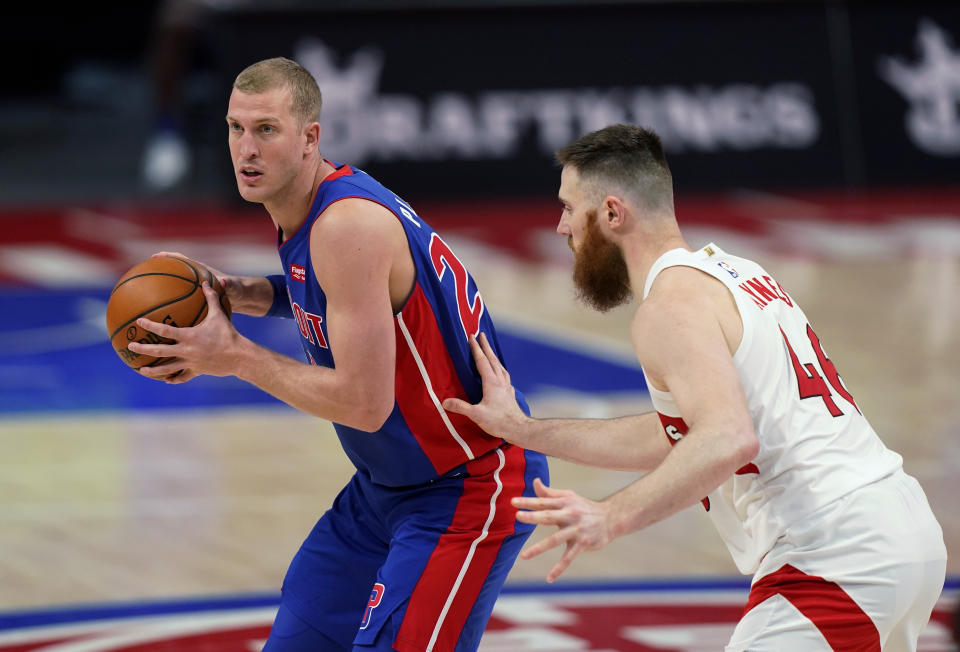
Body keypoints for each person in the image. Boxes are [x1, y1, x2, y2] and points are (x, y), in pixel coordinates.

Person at [442, 124, 947, 651]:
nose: (561, 226)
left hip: (836, 553)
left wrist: (609, 516)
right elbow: (681, 434)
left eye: (570, 208)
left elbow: (728, 438)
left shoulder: (669, 308)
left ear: (613, 214)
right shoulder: (736, 273)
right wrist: (523, 430)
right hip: (900, 532)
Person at [127, 56, 548, 652]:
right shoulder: (310, 205)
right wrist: (247, 293)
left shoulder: (346, 226)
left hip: (466, 485)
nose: (246, 149)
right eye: (235, 127)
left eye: (266, 129)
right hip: (384, 489)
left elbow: (364, 403)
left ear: (310, 138)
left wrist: (235, 356)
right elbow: (331, 294)